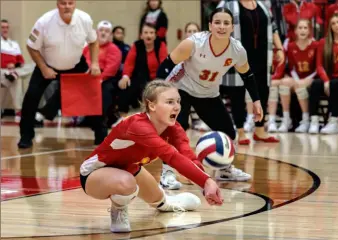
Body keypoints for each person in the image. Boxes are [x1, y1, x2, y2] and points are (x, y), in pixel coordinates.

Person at [80, 80, 223, 233]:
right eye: (169, 102)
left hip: (130, 169)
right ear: (152, 105)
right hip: (94, 173)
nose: (176, 106)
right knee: (127, 184)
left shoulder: (174, 128)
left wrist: (205, 185)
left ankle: (169, 202)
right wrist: (207, 181)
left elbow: (188, 157)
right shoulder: (138, 126)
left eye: (178, 101)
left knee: (161, 202)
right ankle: (119, 209)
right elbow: (172, 157)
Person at [156, 7, 263, 189]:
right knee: (177, 130)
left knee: (228, 131)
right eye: (217, 22)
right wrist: (159, 93)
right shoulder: (194, 43)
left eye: (226, 23)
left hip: (208, 93)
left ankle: (224, 169)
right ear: (210, 26)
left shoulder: (237, 50)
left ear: (232, 27)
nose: (221, 26)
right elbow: (166, 66)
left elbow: (248, 75)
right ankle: (167, 173)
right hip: (181, 88)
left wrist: (256, 101)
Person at [18, 0, 102, 148]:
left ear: (74, 4)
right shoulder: (44, 22)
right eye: (63, 3)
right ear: (57, 5)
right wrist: (44, 68)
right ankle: (26, 136)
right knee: (31, 98)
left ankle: (100, 135)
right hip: (48, 65)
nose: (67, 6)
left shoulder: (85, 19)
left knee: (92, 96)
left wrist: (94, 63)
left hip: (76, 64)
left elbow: (94, 42)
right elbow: (31, 47)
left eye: (70, 3)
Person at [219, 0, 283, 144]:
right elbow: (218, 28)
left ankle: (260, 130)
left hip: (262, 55)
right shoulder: (227, 4)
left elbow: (273, 27)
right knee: (237, 93)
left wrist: (279, 48)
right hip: (237, 55)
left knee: (262, 91)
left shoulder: (262, 5)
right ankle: (240, 131)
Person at [116, 22, 167, 119]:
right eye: (146, 32)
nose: (149, 35)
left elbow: (164, 64)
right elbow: (129, 63)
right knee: (125, 86)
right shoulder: (136, 45)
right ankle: (122, 118)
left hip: (158, 79)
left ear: (155, 35)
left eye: (151, 33)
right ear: (141, 35)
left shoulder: (161, 45)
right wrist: (125, 76)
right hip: (140, 78)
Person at [277, 19, 318, 133]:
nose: (303, 30)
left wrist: (306, 80)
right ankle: (286, 120)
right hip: (297, 77)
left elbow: (318, 67)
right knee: (284, 84)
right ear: (295, 31)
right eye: (300, 28)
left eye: (305, 28)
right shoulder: (290, 46)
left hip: (312, 77)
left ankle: (305, 121)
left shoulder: (315, 45)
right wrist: (296, 80)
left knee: (299, 86)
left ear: (309, 30)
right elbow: (291, 67)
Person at [309, 13, 338, 134]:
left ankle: (334, 121)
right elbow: (319, 65)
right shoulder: (323, 42)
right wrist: (325, 81)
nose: (336, 26)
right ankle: (313, 121)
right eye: (333, 23)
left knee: (336, 84)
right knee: (315, 84)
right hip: (330, 79)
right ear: (329, 27)